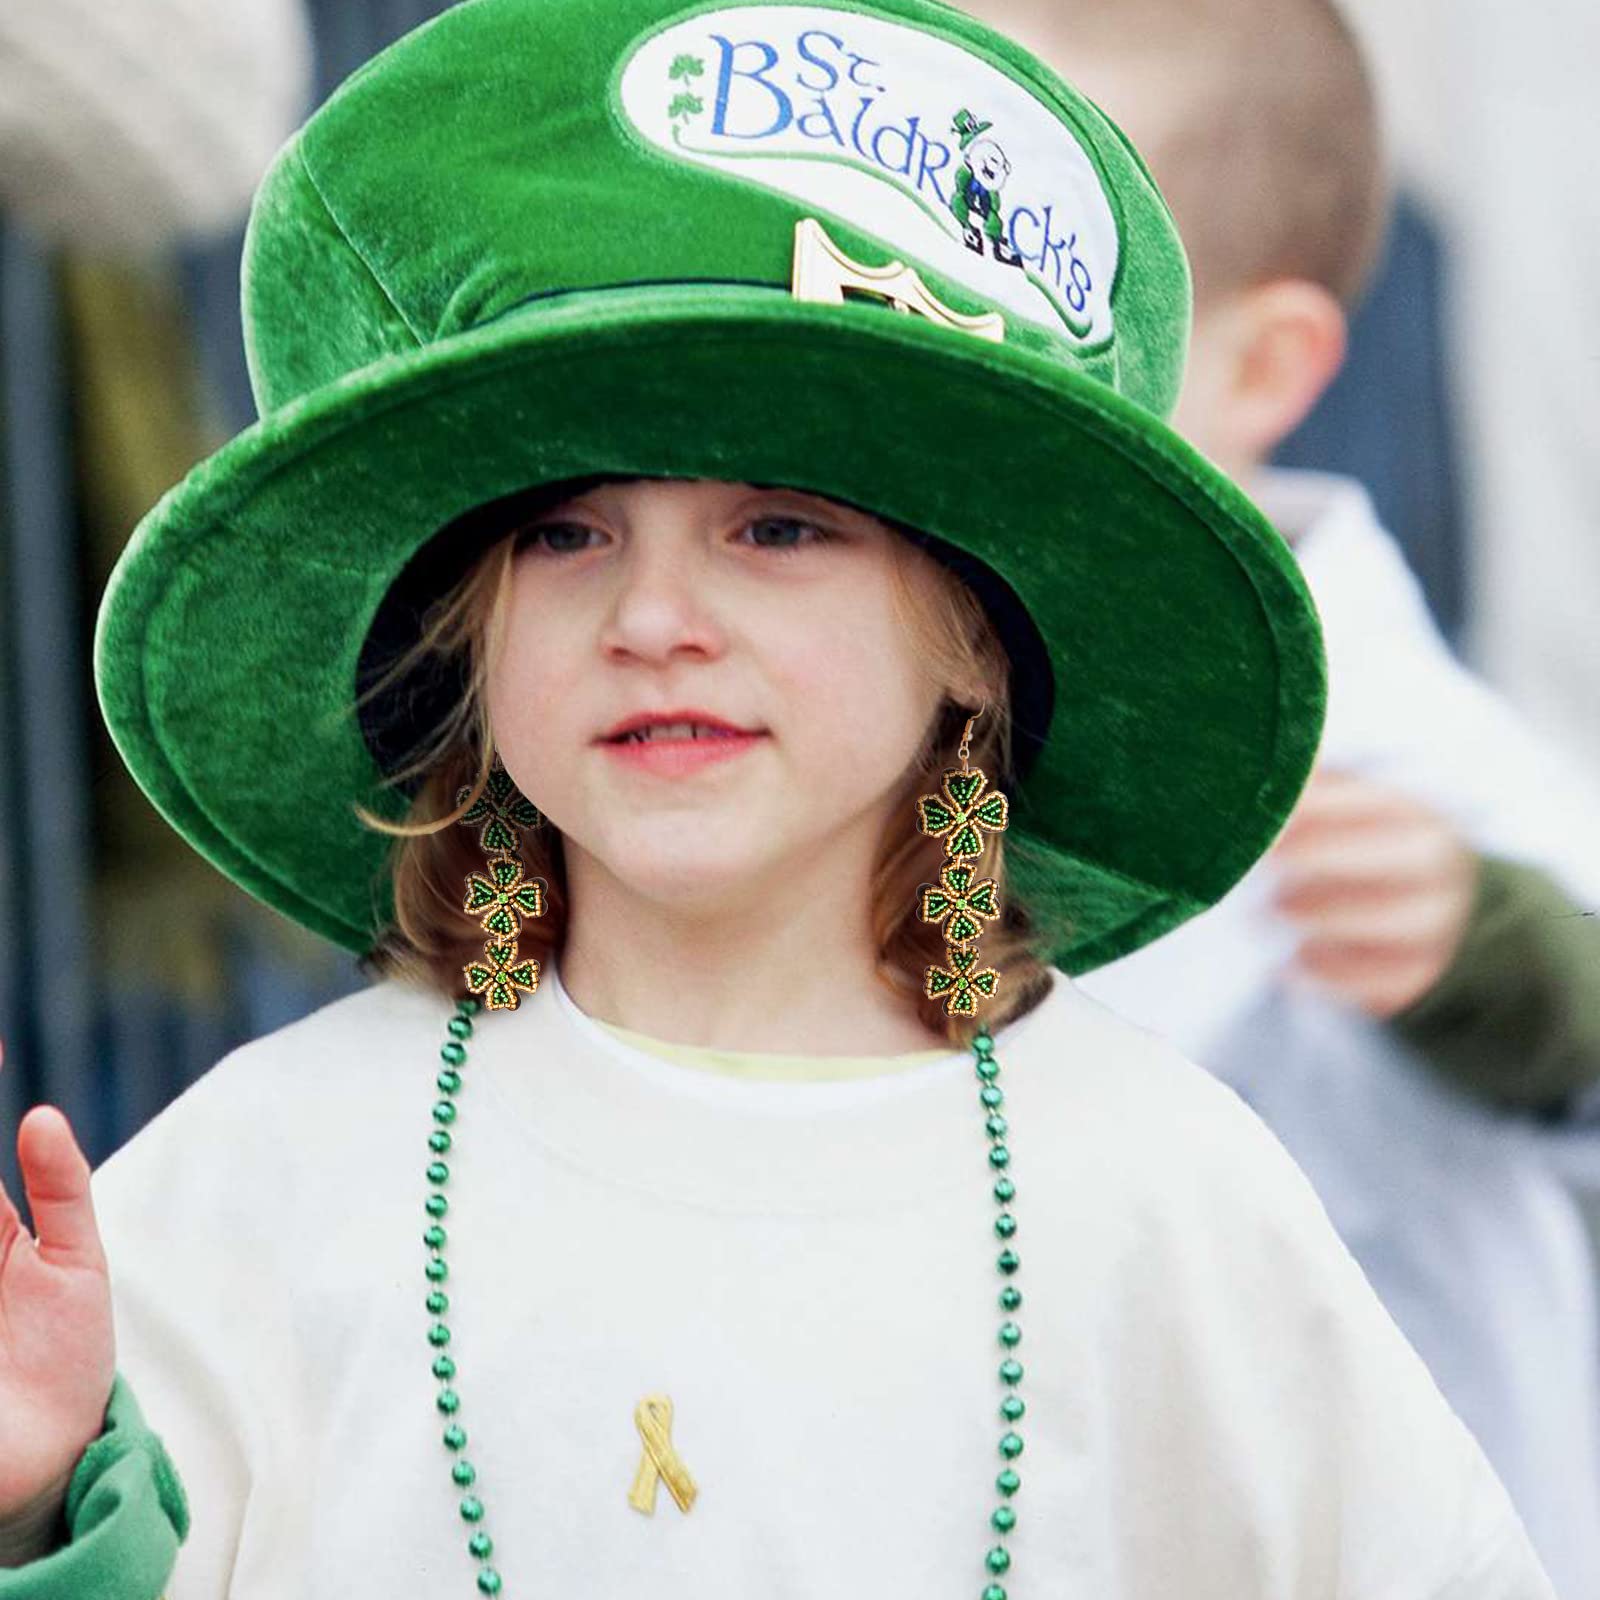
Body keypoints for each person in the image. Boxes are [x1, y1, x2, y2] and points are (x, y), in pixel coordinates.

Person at [0, 0, 1559, 1594]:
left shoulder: (1168, 1197)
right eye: (565, 533)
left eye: (779, 529)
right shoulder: (258, 1184)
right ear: (465, 637)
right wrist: (44, 1514)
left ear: (972, 636)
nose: (654, 616)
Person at [956, 1, 1600, 1593]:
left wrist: (1487, 953)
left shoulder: (1377, 731)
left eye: (1024, 292)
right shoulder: (934, 651)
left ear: (1264, 363)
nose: (941, 347)